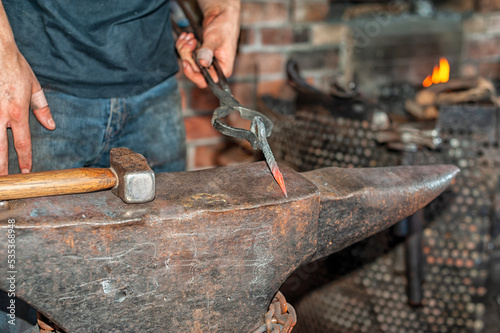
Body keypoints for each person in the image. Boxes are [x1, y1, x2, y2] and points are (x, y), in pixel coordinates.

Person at [0, 0, 241, 175]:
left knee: (161, 237)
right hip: (42, 92)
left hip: (155, 92)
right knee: (30, 241)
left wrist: (222, 10)